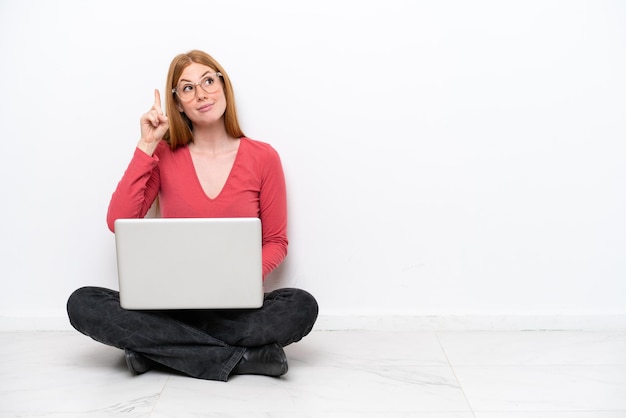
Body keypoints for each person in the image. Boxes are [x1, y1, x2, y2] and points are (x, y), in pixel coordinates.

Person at [66, 50, 318, 381]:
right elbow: (119, 221)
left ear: (224, 86)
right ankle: (245, 358)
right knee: (83, 303)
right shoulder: (163, 154)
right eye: (187, 88)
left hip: (234, 308)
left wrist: (239, 276)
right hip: (169, 304)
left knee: (300, 305)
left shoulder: (263, 157)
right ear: (178, 103)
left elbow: (275, 241)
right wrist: (146, 146)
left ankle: (156, 352)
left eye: (208, 81)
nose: (201, 94)